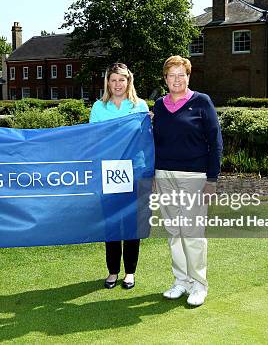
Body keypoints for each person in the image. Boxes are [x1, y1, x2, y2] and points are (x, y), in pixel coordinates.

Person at [152, 55, 222, 306]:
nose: (177, 79)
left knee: (192, 231)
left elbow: (215, 143)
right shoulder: (159, 105)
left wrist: (212, 179)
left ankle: (199, 284)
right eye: (172, 75)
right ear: (165, 79)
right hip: (164, 175)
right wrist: (153, 174)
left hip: (194, 176)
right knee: (173, 231)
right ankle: (181, 281)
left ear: (188, 76)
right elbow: (154, 143)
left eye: (181, 74)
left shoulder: (202, 102)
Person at [89, 62, 149, 290]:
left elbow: (145, 140)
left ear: (128, 81)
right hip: (109, 172)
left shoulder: (140, 106)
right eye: (113, 80)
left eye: (121, 80)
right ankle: (113, 271)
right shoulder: (98, 107)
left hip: (135, 171)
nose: (117, 84)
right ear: (107, 82)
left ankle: (130, 272)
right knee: (112, 223)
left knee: (132, 224)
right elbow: (93, 139)